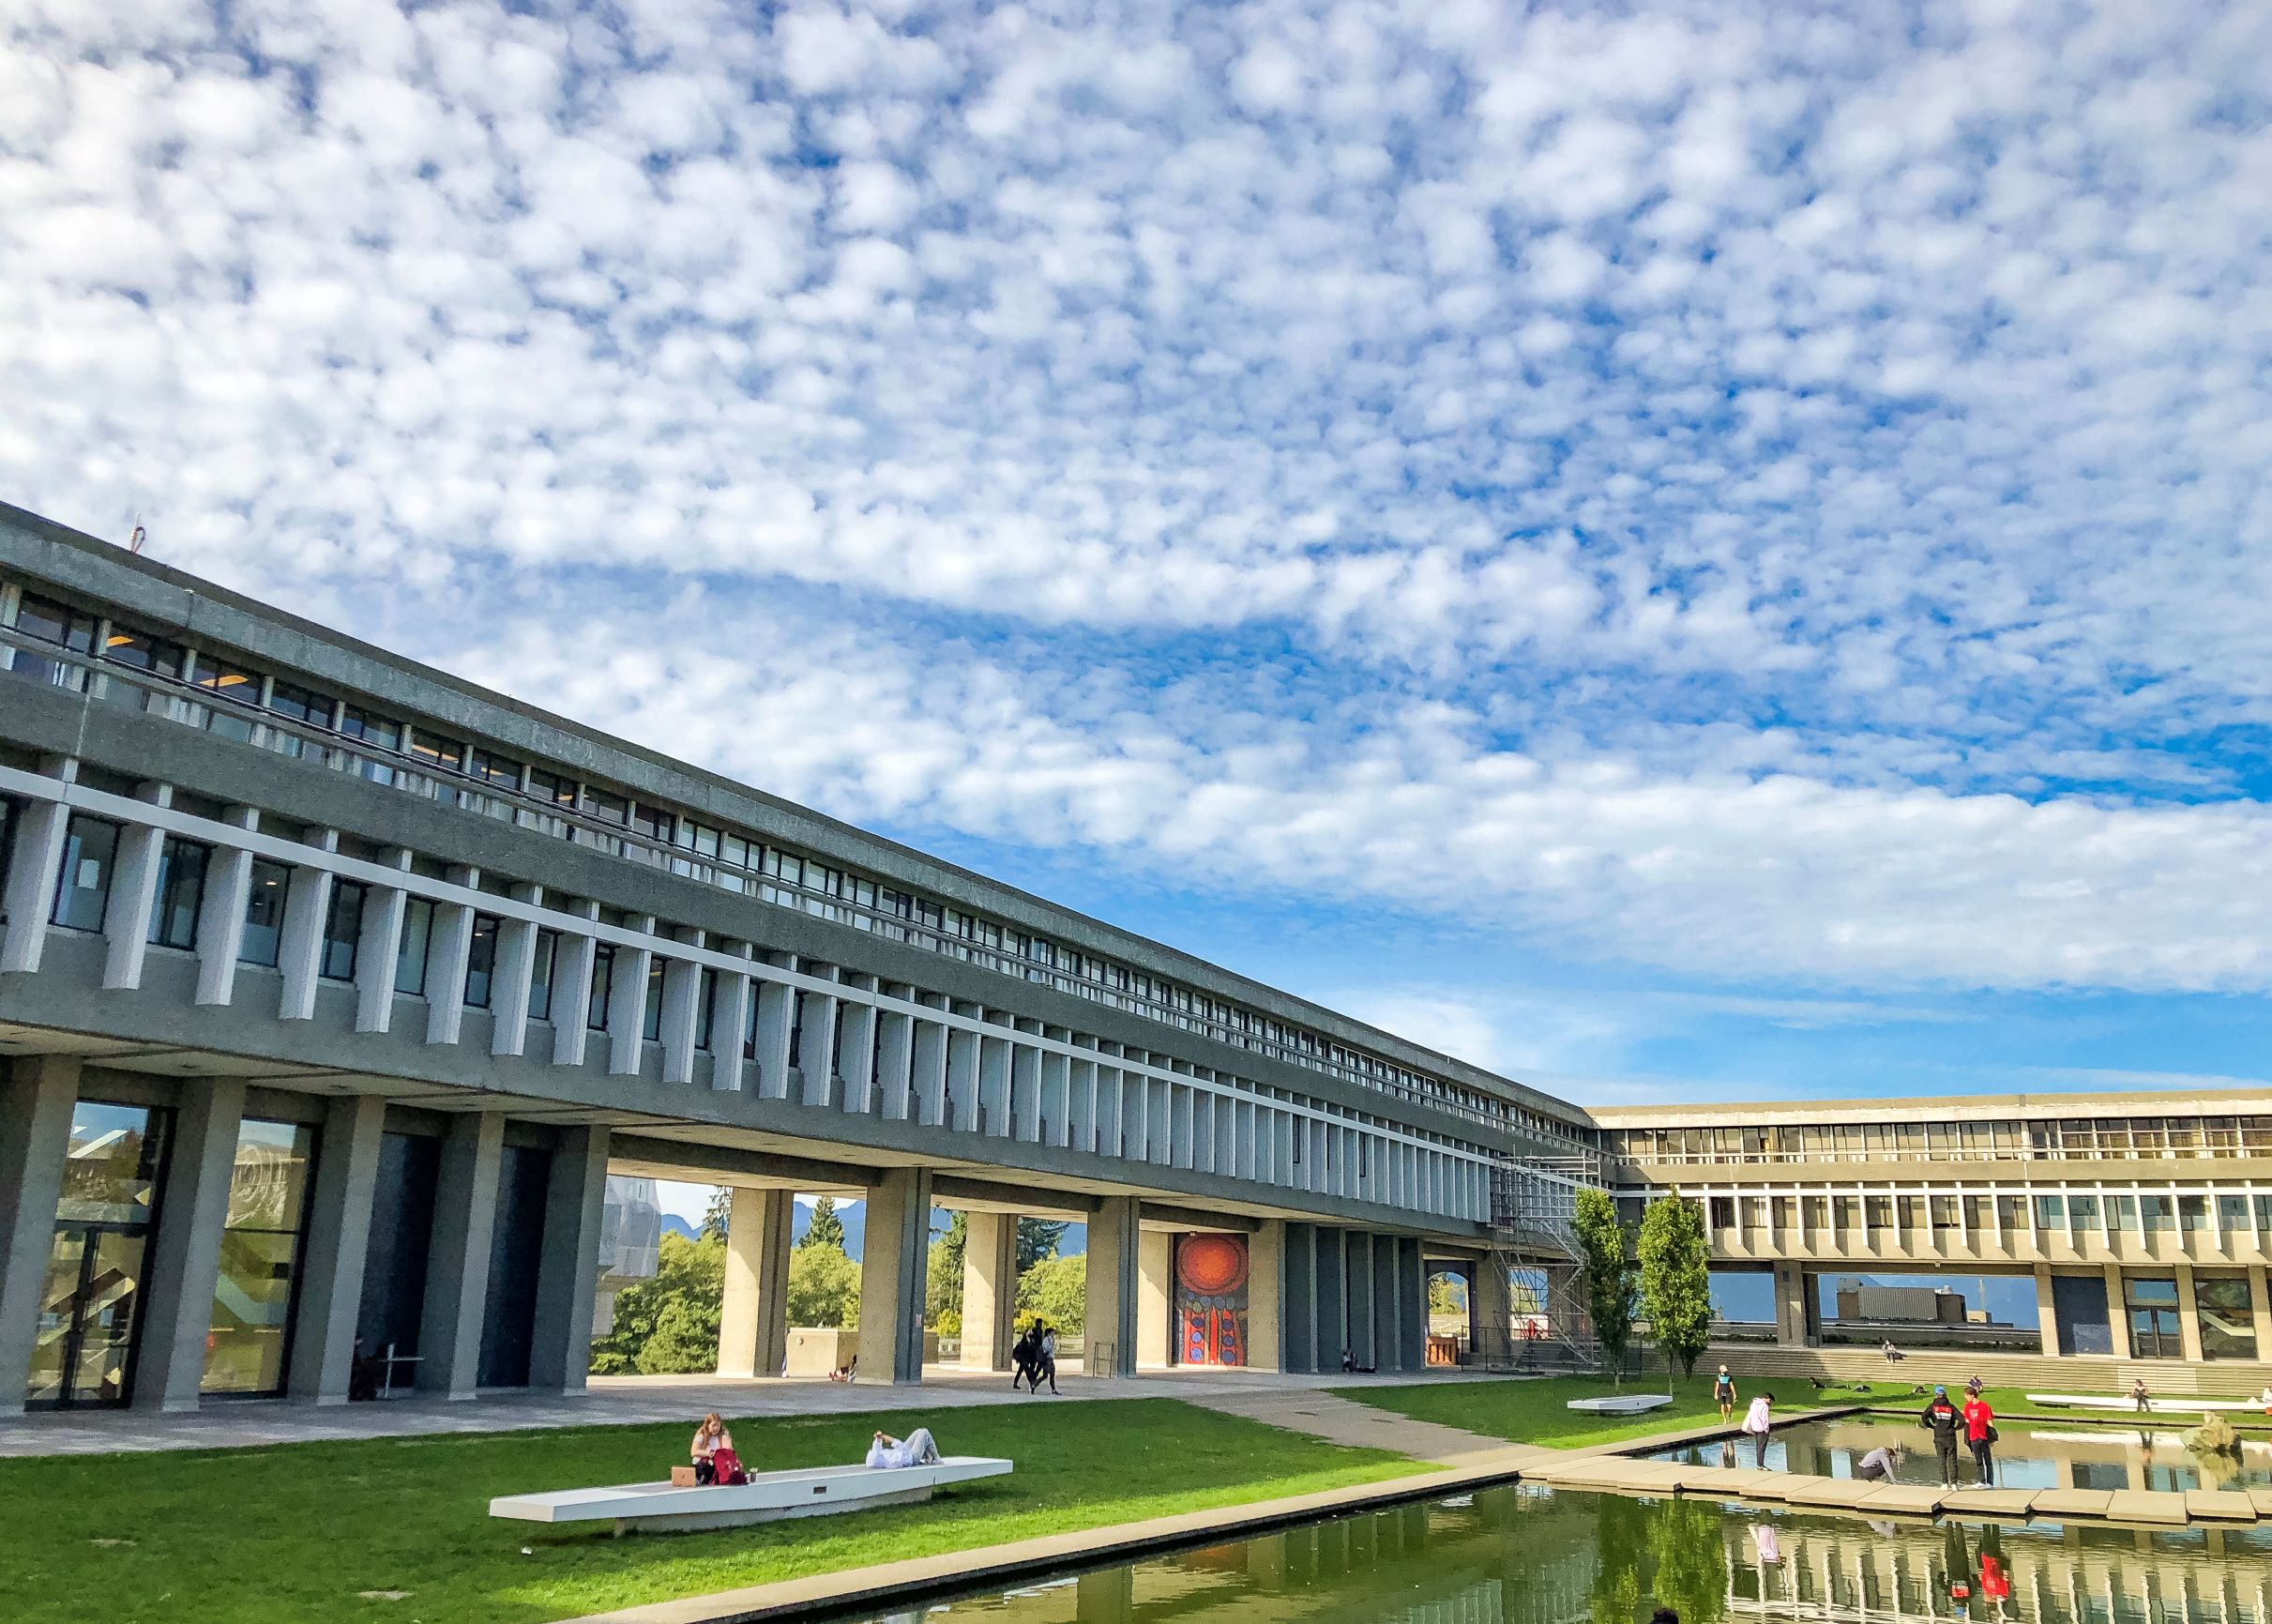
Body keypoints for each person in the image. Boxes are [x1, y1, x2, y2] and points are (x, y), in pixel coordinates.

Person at [1919, 1386, 1962, 1487]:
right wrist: (1956, 1427)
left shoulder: (1933, 1406)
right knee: (1952, 1459)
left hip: (1938, 1435)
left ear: (1936, 1395)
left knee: (1941, 1459)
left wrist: (1931, 1425)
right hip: (1950, 1435)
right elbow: (1962, 1419)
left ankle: (1944, 1483)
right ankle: (1954, 1483)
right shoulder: (1951, 1407)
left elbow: (1924, 1417)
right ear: (1945, 1395)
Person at [691, 1413, 746, 1486]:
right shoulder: (701, 1436)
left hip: (716, 1462)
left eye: (718, 1425)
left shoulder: (722, 1437)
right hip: (701, 1463)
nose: (716, 1428)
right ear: (707, 1425)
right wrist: (708, 1453)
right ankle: (701, 1479)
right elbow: (694, 1452)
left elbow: (727, 1451)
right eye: (713, 1425)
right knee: (709, 1465)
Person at [1962, 1390, 1996, 1486]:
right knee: (1978, 1460)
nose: (1966, 1398)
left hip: (1984, 1437)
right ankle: (1981, 1480)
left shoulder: (1984, 1406)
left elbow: (1989, 1420)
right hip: (1973, 1437)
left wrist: (1993, 1437)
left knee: (1988, 1460)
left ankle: (1990, 1482)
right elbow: (1966, 1419)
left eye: (1967, 1395)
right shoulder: (1967, 1406)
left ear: (1972, 1395)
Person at [866, 1427, 942, 1468]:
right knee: (924, 1432)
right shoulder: (892, 1462)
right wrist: (892, 1440)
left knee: (919, 1431)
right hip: (912, 1457)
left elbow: (876, 1449)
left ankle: (929, 1458)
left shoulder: (878, 1459)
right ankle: (936, 1458)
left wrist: (878, 1439)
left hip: (904, 1452)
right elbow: (905, 1453)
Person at [1741, 1391, 1775, 1468]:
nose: (1770, 1402)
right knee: (1762, 1447)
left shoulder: (1753, 1404)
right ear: (1767, 1399)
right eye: (1770, 1400)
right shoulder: (1765, 1407)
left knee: (1758, 1446)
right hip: (1762, 1429)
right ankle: (1761, 1464)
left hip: (1755, 1428)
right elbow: (1764, 1419)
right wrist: (1767, 1429)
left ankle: (1758, 1464)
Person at [1032, 1320, 1059, 1396]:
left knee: (1052, 1375)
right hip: (1047, 1360)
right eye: (1052, 1333)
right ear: (1049, 1333)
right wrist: (1052, 1343)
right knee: (1045, 1376)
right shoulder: (1046, 1340)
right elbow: (1047, 1349)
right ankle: (1034, 1385)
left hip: (1051, 1359)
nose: (1053, 1334)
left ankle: (1053, 1390)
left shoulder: (1051, 1340)